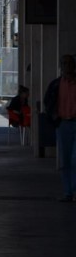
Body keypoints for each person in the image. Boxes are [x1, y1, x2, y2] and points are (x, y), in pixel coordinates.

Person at [43, 54, 76, 201]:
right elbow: (48, 102)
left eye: (69, 63)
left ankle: (75, 190)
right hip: (63, 125)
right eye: (63, 63)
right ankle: (68, 192)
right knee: (65, 159)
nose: (66, 66)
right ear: (60, 66)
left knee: (75, 159)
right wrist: (55, 118)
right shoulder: (56, 84)